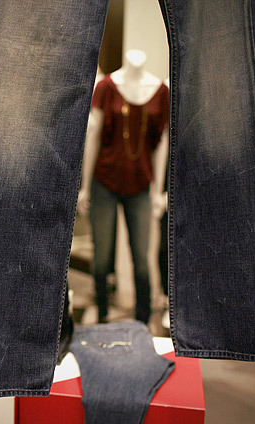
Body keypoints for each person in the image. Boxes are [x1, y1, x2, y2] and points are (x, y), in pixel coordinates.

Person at [78, 50, 169, 324]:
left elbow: (161, 144)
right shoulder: (106, 87)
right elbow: (93, 137)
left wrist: (157, 191)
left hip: (140, 184)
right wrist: (85, 187)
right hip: (104, 181)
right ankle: (102, 314)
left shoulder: (160, 92)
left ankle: (143, 320)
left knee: (141, 257)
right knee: (101, 256)